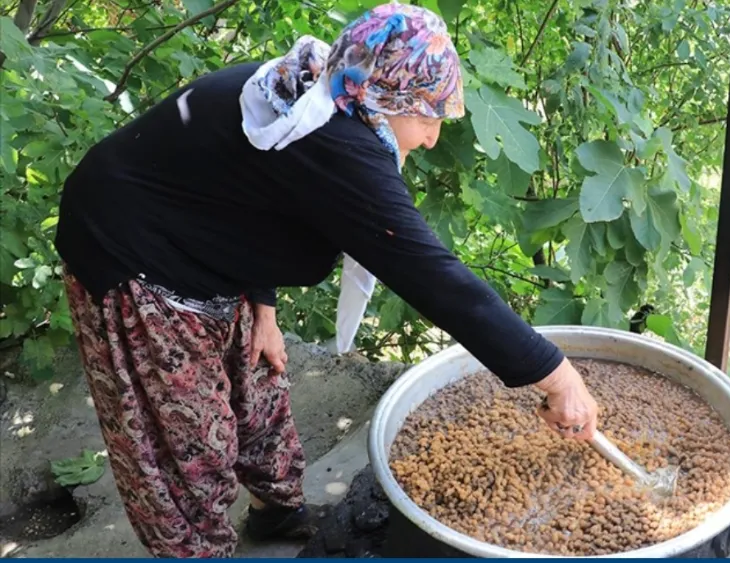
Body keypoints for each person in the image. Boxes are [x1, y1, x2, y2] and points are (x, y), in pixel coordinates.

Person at [54, 3, 600, 558]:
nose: (433, 139)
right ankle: (197, 550)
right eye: (429, 117)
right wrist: (554, 375)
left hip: (204, 244)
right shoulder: (328, 131)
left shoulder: (332, 92)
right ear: (388, 99)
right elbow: (431, 274)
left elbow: (243, 189)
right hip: (131, 253)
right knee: (186, 443)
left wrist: (260, 306)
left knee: (259, 386)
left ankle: (276, 513)